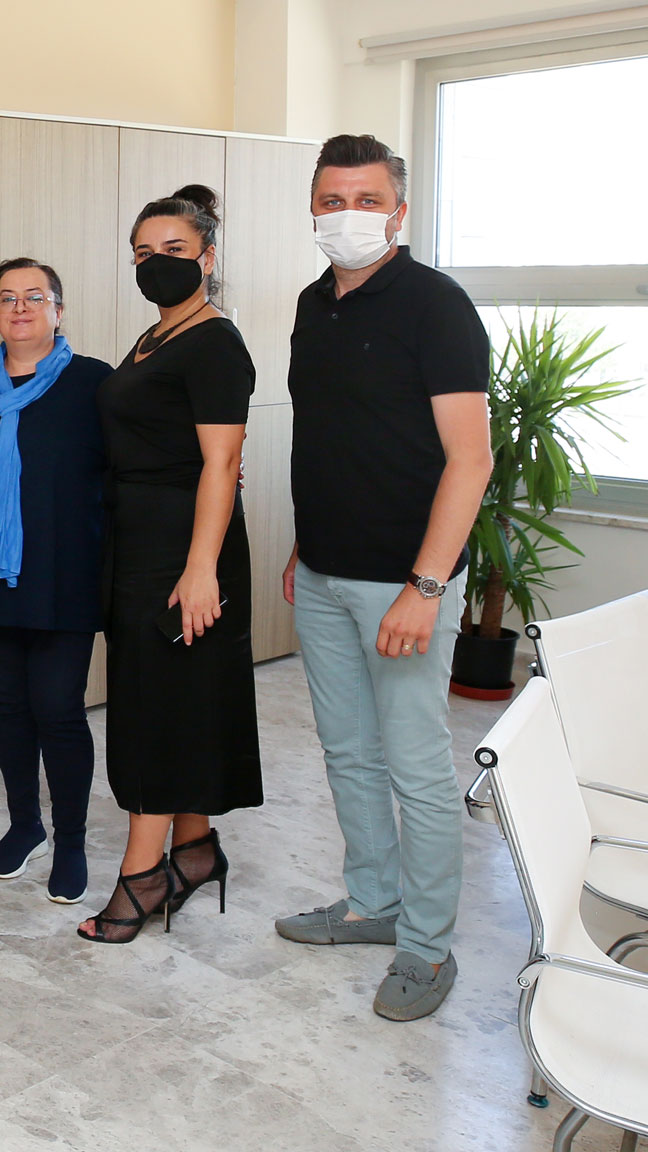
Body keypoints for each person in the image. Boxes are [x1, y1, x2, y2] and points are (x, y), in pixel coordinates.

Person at [272, 135, 491, 1022]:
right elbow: (331, 435)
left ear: (398, 211)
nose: (348, 215)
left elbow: (470, 460)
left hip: (406, 582)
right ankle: (372, 903)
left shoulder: (436, 305)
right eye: (333, 199)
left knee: (416, 768)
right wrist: (304, 546)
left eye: (367, 200)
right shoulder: (310, 303)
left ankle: (427, 948)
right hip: (325, 573)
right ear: (313, 208)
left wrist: (426, 588)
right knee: (347, 751)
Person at [78, 185, 262, 945]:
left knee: (156, 708)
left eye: (174, 251)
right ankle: (194, 848)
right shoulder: (158, 335)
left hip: (185, 550)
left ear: (207, 258)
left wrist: (200, 568)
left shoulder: (214, 341)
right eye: (143, 253)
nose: (156, 263)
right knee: (174, 698)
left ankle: (142, 875)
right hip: (140, 539)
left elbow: (221, 462)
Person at [0, 258, 112, 903]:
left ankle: (71, 842)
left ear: (58, 311)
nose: (20, 308)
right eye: (7, 298)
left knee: (59, 709)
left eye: (35, 297)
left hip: (66, 571)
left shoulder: (95, 382)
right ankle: (25, 826)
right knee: (10, 705)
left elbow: (127, 468)